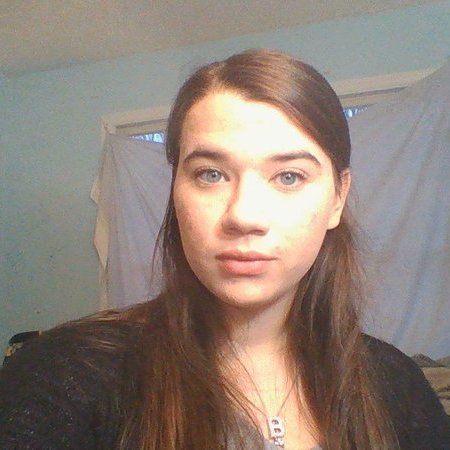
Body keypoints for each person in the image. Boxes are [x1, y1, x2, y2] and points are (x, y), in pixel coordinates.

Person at [0, 49, 449, 450]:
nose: (244, 216)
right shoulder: (63, 378)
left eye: (289, 176)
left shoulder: (397, 386)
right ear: (175, 188)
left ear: (337, 197)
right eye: (211, 174)